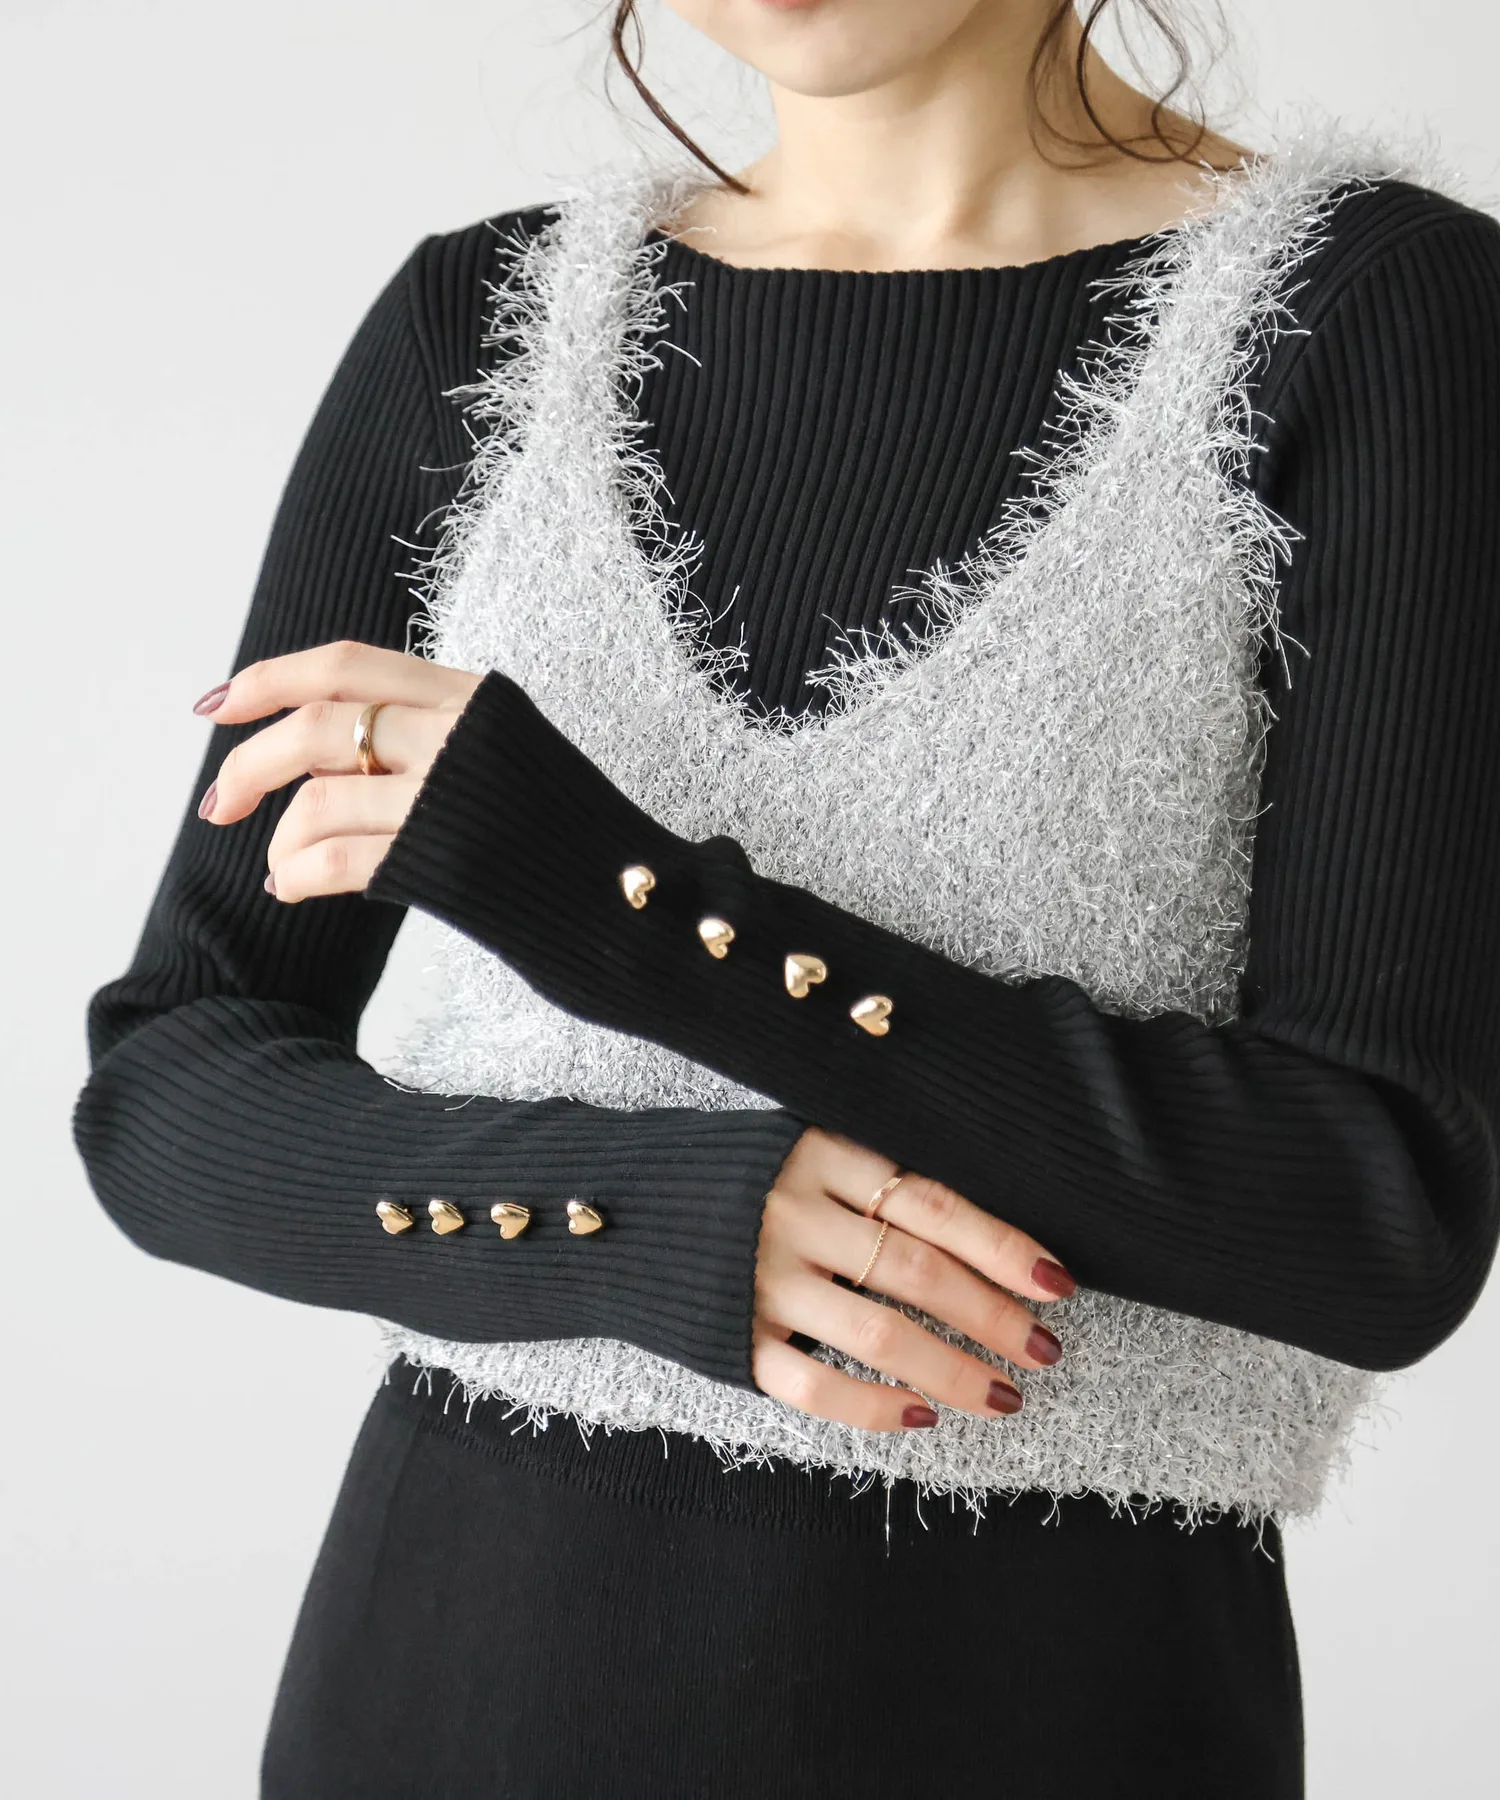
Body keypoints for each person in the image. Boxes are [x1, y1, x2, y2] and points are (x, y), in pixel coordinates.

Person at [72, 1, 1500, 1794]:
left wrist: (603, 894)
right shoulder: (479, 322)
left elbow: (1377, 1209)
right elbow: (170, 1087)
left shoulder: (1375, 316)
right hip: (453, 1676)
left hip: (1045, 1703)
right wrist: (633, 1222)